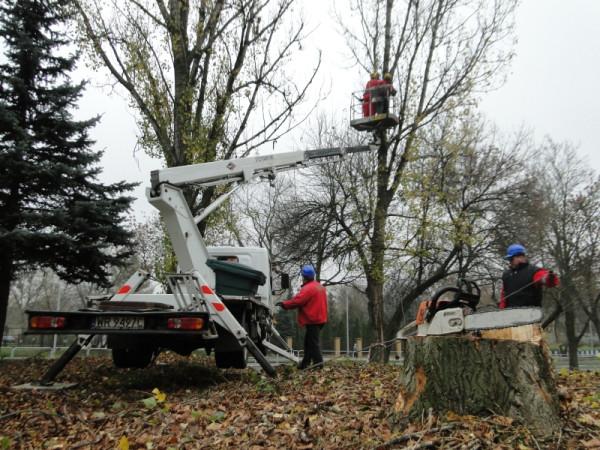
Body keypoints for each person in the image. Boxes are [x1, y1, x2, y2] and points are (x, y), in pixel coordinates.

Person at [276, 265, 328, 369]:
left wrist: (284, 304)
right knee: (308, 343)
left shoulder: (308, 288)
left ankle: (319, 365)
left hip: (313, 320)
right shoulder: (319, 286)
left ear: (304, 276)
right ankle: (305, 364)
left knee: (313, 344)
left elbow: (297, 301)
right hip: (320, 319)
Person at [499, 244, 559, 309]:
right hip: (510, 314)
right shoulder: (506, 275)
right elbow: (504, 295)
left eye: (511, 259)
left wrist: (549, 278)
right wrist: (501, 310)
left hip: (531, 314)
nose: (510, 262)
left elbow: (546, 279)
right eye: (510, 260)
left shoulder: (534, 271)